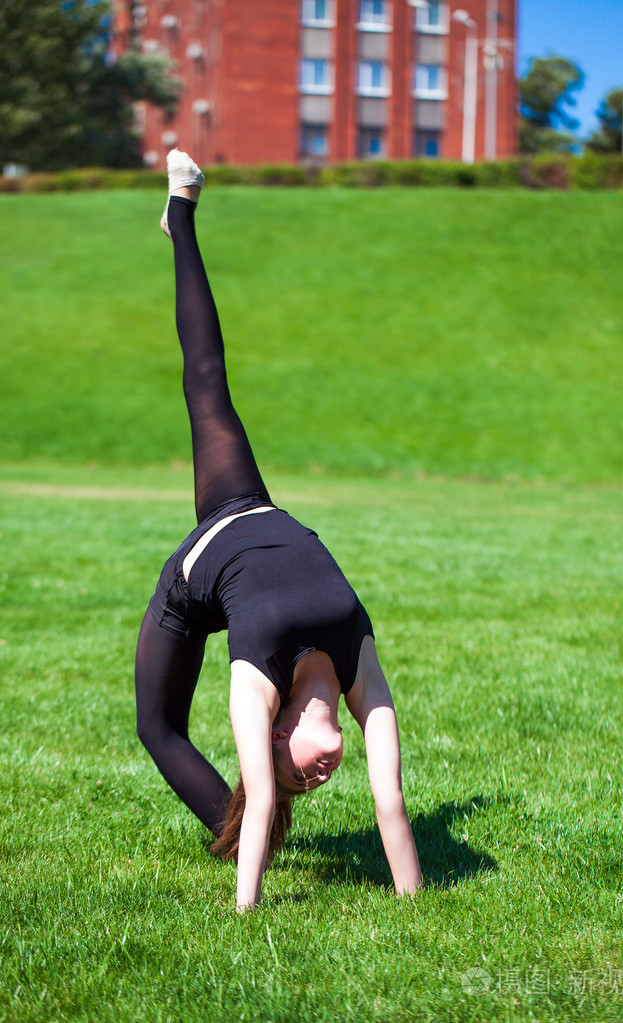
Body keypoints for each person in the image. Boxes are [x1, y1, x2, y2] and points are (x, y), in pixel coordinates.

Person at [135, 149, 422, 911]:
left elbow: (262, 796)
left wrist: (245, 912)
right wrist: (417, 905)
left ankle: (181, 214)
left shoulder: (257, 678)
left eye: (297, 771)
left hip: (193, 581)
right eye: (312, 775)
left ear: (277, 733)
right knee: (208, 378)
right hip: (255, 510)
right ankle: (181, 216)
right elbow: (391, 803)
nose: (319, 775)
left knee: (157, 726)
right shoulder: (361, 665)